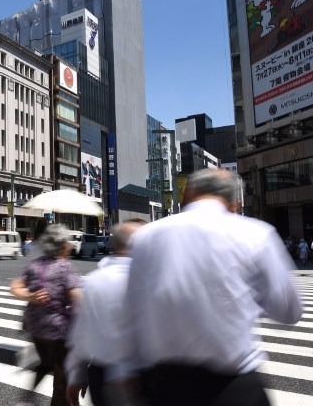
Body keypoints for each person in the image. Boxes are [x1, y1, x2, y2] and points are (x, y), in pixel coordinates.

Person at [123, 168, 302, 406]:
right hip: (232, 388)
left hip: (164, 387)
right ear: (233, 202)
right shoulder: (254, 233)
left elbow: (131, 312)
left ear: (189, 192)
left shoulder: (146, 237)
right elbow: (288, 311)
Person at [65, 220, 143, 406]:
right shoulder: (149, 278)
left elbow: (80, 333)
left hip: (101, 375)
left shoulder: (93, 281)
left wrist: (76, 375)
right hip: (145, 376)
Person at [10, 224, 81, 406]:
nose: (70, 244)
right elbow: (79, 299)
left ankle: (26, 399)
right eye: (68, 241)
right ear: (62, 244)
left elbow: (14, 287)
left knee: (46, 363)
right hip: (57, 331)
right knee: (61, 380)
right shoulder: (65, 267)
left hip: (36, 328)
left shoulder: (35, 265)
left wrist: (30, 296)